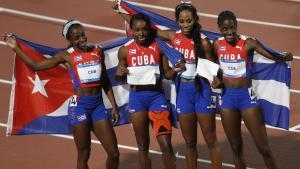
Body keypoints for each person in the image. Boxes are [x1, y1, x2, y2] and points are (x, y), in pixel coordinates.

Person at [113, 2, 222, 169]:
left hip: (202, 93)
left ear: (195, 20)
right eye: (182, 21)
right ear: (177, 21)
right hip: (183, 94)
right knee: (190, 142)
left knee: (211, 141)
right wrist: (122, 11)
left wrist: (216, 79)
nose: (185, 25)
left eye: (189, 21)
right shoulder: (173, 37)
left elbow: (214, 70)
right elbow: (145, 28)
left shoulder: (204, 43)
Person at [3, 20, 120, 169]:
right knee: (84, 153)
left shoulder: (98, 51)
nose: (82, 39)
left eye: (83, 35)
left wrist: (114, 106)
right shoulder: (66, 56)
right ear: (69, 40)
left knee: (114, 153)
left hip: (98, 106)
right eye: (76, 37)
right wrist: (16, 48)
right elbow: (36, 66)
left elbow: (105, 81)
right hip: (79, 107)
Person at [213, 10, 293, 169]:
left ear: (236, 26)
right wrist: (216, 79)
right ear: (220, 29)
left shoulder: (248, 43)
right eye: (225, 29)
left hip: (246, 98)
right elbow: (213, 67)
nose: (229, 32)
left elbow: (272, 55)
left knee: (264, 148)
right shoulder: (217, 44)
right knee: (236, 148)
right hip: (227, 99)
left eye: (232, 28)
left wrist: (285, 56)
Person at [115, 13, 185, 169]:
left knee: (166, 146)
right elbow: (120, 78)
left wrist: (175, 70)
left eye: (145, 30)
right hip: (137, 100)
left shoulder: (158, 47)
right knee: (142, 146)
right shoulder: (124, 51)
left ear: (149, 29)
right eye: (137, 30)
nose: (141, 34)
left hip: (157, 99)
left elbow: (166, 74)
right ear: (131, 30)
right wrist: (119, 74)